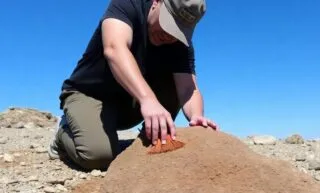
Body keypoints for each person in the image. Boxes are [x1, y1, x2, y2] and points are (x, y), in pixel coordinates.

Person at [48, 0, 218, 171]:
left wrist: (196, 116)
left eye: (179, 30)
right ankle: (63, 133)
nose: (170, 35)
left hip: (129, 103)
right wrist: (148, 99)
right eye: (169, 23)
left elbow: (188, 88)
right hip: (90, 94)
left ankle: (150, 139)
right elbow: (114, 49)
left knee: (174, 81)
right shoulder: (127, 5)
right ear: (156, 3)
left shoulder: (179, 44)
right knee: (98, 157)